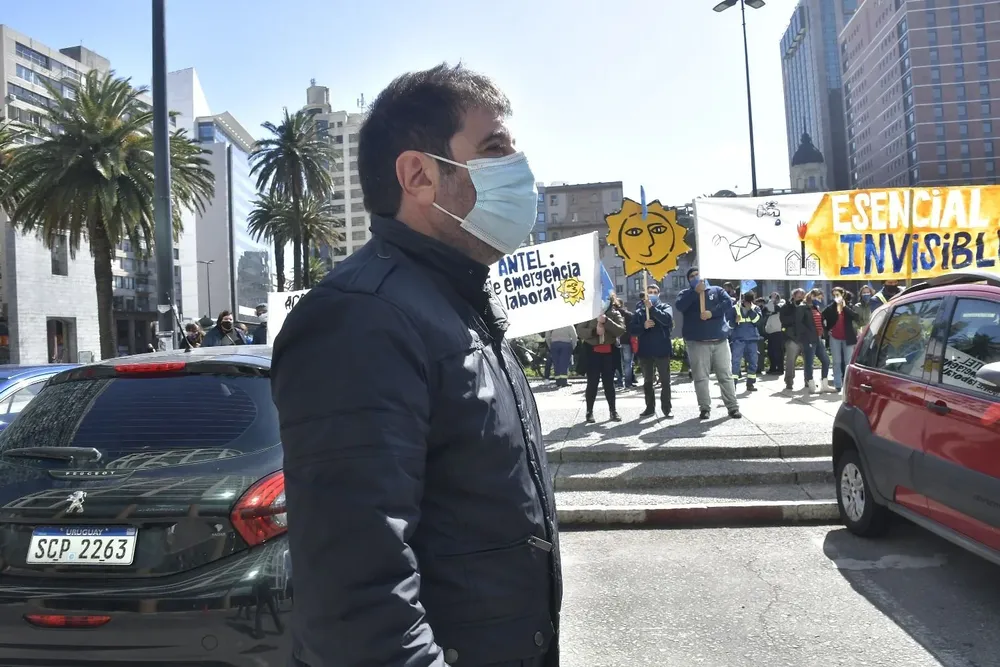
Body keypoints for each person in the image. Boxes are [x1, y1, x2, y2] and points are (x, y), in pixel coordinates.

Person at [270, 64, 560, 667]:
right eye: (496, 150)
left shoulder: (458, 305)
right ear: (419, 174)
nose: (522, 173)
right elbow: (358, 594)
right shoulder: (362, 319)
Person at [675, 267, 741, 420]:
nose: (695, 277)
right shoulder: (685, 294)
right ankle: (704, 408)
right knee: (701, 378)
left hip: (719, 341)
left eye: (698, 274)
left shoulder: (716, 290)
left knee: (725, 376)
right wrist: (695, 292)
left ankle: (733, 407)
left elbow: (727, 304)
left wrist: (712, 313)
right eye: (692, 276)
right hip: (698, 343)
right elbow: (680, 306)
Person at [576, 302, 626, 423]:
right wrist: (594, 331)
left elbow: (621, 330)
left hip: (609, 353)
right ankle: (589, 412)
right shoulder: (588, 313)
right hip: (592, 354)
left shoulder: (615, 313)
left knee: (609, 384)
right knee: (592, 383)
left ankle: (613, 411)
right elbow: (580, 330)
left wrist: (606, 321)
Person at [631, 283, 673, 418]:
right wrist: (643, 326)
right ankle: (649, 407)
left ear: (659, 294)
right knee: (648, 381)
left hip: (661, 350)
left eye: (655, 292)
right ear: (646, 295)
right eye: (650, 292)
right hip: (645, 351)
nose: (652, 294)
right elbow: (632, 330)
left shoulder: (666, 307)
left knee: (665, 380)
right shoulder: (639, 311)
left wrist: (653, 309)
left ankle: (666, 407)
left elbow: (667, 321)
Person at [823, 287, 860, 392]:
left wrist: (844, 306)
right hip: (835, 337)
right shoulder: (830, 308)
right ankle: (838, 384)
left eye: (838, 294)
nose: (836, 297)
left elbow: (856, 317)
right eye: (834, 295)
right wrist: (827, 330)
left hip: (848, 337)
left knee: (848, 362)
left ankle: (848, 384)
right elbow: (822, 317)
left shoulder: (849, 306)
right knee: (837, 361)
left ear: (843, 294)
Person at [730, 291, 762, 392]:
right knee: (735, 362)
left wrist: (750, 311)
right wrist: (734, 321)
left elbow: (758, 322)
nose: (748, 302)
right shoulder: (735, 308)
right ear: (742, 299)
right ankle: (732, 386)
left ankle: (750, 384)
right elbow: (728, 323)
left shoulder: (755, 308)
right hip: (738, 339)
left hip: (752, 339)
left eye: (750, 301)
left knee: (753, 362)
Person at [804, 288, 833, 393]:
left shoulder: (816, 308)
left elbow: (819, 322)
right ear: (812, 296)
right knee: (809, 362)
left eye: (821, 298)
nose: (819, 300)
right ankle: (811, 385)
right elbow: (800, 325)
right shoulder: (803, 308)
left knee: (826, 360)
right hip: (809, 339)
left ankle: (824, 385)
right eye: (818, 297)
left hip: (818, 338)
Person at [613, 297, 634, 388]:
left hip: (615, 341)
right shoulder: (629, 315)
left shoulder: (612, 315)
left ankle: (619, 382)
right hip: (627, 341)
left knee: (618, 362)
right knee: (628, 363)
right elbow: (633, 328)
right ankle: (628, 383)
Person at [763, 291, 785, 375]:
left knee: (778, 351)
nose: (772, 299)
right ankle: (772, 368)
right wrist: (770, 301)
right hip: (770, 332)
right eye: (771, 297)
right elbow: (766, 310)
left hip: (778, 331)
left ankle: (780, 369)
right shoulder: (769, 305)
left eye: (774, 297)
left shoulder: (781, 304)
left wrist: (772, 301)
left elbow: (773, 309)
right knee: (771, 352)